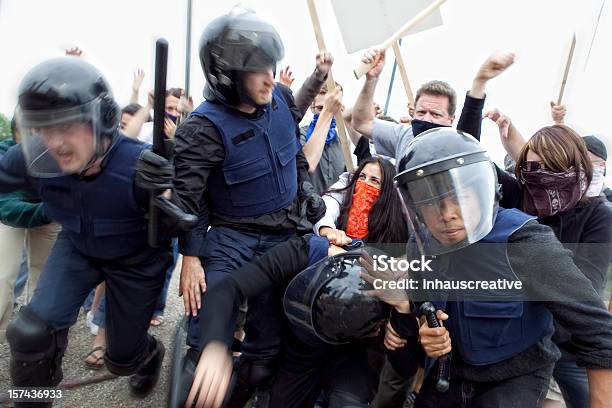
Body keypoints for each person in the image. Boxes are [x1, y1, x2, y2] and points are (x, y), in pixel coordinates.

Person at [0, 56, 192, 405]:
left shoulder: (138, 166)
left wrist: (166, 193)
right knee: (30, 334)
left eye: (66, 126)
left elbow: (184, 218)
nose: (53, 142)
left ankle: (147, 356)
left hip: (136, 260)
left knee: (121, 359)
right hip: (77, 248)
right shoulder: (35, 157)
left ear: (101, 121)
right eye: (42, 128)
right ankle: (34, 399)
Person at [382, 127, 612, 407]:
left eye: (460, 197)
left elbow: (598, 331)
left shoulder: (526, 243)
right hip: (449, 377)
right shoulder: (420, 247)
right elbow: (422, 313)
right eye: (430, 202)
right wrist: (425, 332)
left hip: (516, 378)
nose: (447, 214)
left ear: (483, 191)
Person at [172, 7, 324, 405]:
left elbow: (293, 155)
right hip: (232, 238)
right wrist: (191, 256)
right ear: (227, 75)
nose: (270, 77)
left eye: (270, 66)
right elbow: (189, 199)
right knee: (205, 347)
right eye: (258, 70)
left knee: (263, 360)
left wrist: (305, 191)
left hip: (284, 238)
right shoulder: (202, 128)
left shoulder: (281, 99)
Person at [176, 234, 406, 408]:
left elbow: (407, 361)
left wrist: (401, 316)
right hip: (301, 348)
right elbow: (227, 289)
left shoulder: (388, 277)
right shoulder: (300, 253)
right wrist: (215, 345)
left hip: (352, 356)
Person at [482, 116, 612, 408]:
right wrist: (476, 94)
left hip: (569, 344)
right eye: (531, 168)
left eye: (549, 168)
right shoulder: (519, 194)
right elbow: (472, 165)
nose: (539, 177)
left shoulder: (598, 215)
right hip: (516, 342)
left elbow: (586, 291)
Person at [351, 49, 516, 159]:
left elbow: (467, 141)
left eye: (436, 114)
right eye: (421, 113)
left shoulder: (456, 142)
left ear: (451, 120)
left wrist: (480, 81)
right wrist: (372, 79)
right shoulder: (402, 135)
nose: (427, 120)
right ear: (413, 112)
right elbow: (361, 122)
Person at [0, 115, 60, 343]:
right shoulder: (4, 155)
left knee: (44, 274)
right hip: (11, 215)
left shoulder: (57, 154)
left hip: (46, 215)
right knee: (3, 274)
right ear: (17, 133)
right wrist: (52, 209)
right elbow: (6, 207)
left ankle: (36, 328)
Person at [314, 155, 407, 247]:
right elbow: (329, 203)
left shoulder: (396, 216)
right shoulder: (346, 191)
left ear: (386, 189)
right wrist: (326, 228)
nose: (365, 182)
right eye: (362, 176)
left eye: (374, 180)